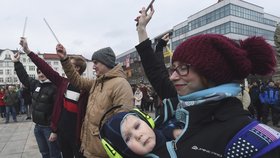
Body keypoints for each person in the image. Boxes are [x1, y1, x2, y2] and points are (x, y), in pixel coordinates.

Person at [135, 5, 280, 157]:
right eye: (173, 69)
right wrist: (142, 30)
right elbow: (156, 73)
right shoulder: (180, 106)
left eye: (183, 68)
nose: (173, 76)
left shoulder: (257, 143)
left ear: (212, 72)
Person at [56, 44, 134, 157]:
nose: (93, 67)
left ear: (106, 62)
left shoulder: (121, 85)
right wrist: (64, 59)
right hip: (89, 147)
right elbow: (76, 80)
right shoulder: (97, 82)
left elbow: (124, 124)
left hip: (103, 151)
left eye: (96, 63)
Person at [19, 37, 88, 158]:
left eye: (69, 65)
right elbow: (45, 67)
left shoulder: (86, 88)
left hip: (78, 135)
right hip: (62, 133)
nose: (65, 67)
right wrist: (28, 51)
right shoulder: (63, 83)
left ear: (77, 68)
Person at [13, 53, 61, 158]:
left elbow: (58, 111)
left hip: (49, 128)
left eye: (43, 72)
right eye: (38, 72)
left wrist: (55, 131)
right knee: (44, 153)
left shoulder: (55, 87)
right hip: (38, 127)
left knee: (55, 154)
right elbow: (24, 77)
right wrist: (17, 63)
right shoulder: (36, 84)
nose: (41, 74)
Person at [99, 107, 184, 158]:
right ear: (121, 152)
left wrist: (172, 132)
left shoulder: (178, 132)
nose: (138, 135)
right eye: (128, 138)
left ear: (147, 121)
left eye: (137, 126)